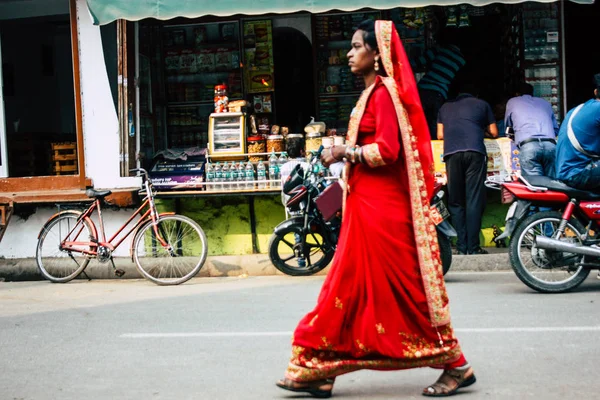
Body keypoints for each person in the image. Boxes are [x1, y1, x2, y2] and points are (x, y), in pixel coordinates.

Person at [275, 20, 476, 398]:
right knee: (349, 289)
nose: (349, 53)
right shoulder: (370, 93)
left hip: (382, 212)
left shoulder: (384, 94)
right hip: (364, 208)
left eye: (355, 47)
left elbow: (387, 151)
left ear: (376, 53)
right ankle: (320, 368)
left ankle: (455, 364)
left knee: (400, 291)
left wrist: (342, 151)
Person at [437, 83, 498, 255]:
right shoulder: (482, 104)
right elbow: (494, 132)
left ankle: (461, 246)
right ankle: (473, 247)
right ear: (475, 94)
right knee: (474, 199)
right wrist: (479, 131)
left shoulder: (444, 107)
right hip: (475, 152)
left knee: (455, 201)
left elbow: (440, 135)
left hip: (452, 154)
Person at [414, 30, 466, 140]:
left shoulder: (439, 49)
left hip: (423, 89)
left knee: (418, 121)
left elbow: (419, 62)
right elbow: (456, 83)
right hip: (440, 93)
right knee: (435, 124)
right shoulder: (461, 60)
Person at [555, 73, 600, 190]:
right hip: (577, 174)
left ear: (595, 92)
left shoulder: (578, 109)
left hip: (567, 172)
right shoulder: (598, 108)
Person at [505, 82, 559, 178]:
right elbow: (555, 129)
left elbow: (508, 127)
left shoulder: (512, 102)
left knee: (535, 186)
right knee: (553, 185)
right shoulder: (545, 103)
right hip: (550, 145)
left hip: (528, 146)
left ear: (517, 94)